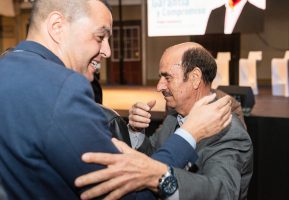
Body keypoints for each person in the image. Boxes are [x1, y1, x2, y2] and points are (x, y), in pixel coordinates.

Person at [0, 0, 232, 199]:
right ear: (57, 27)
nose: (108, 51)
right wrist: (189, 134)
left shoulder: (7, 68)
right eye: (100, 36)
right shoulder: (64, 88)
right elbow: (129, 194)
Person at [75, 42, 253, 200]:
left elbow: (223, 192)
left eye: (167, 77)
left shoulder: (228, 130)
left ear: (195, 77)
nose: (159, 86)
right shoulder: (173, 117)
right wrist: (136, 132)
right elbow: (154, 155)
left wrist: (161, 177)